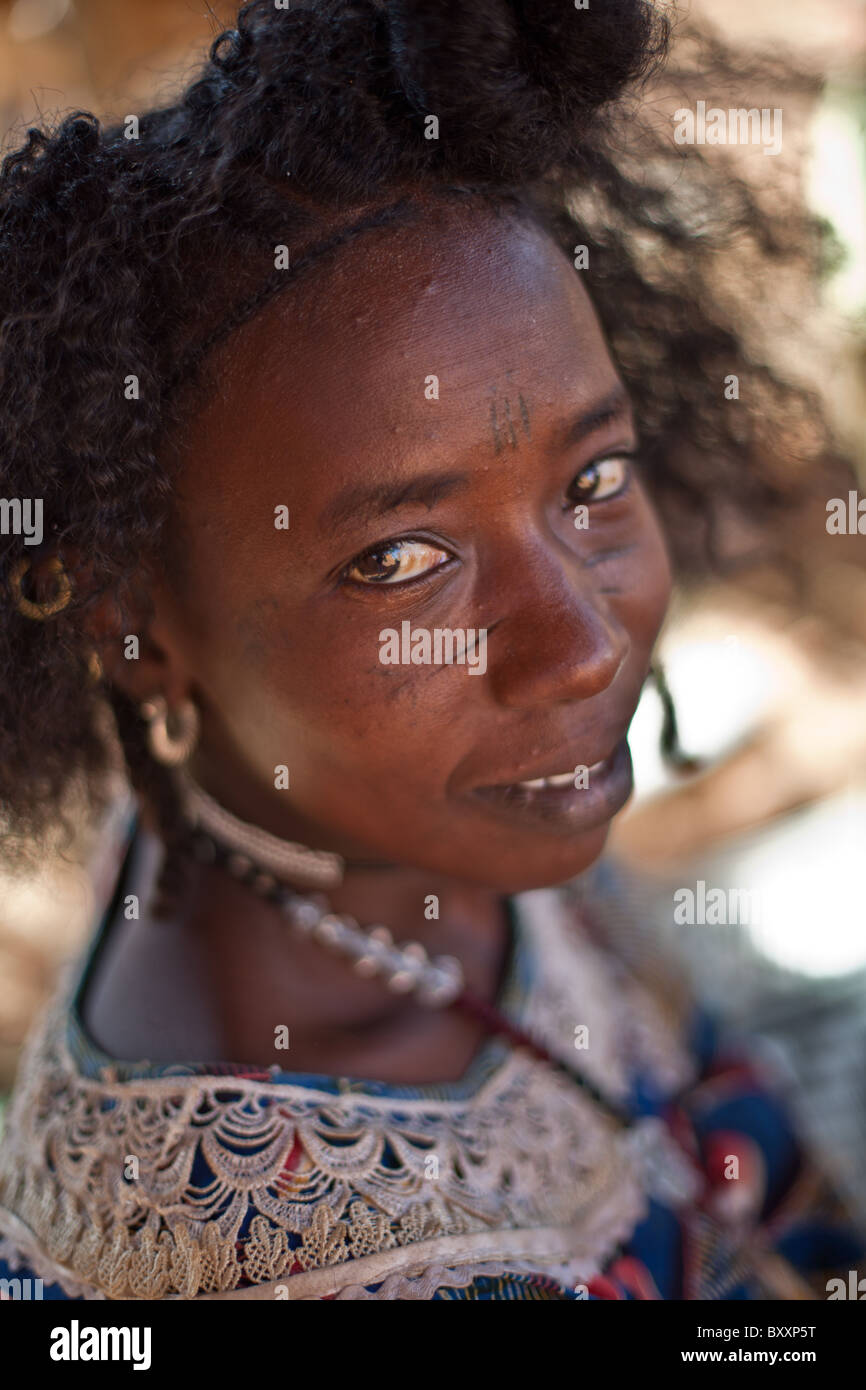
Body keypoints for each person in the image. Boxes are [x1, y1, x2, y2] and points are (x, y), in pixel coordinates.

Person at [0, 0, 862, 1300]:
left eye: (592, 479)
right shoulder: (254, 1253)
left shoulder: (400, 827)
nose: (577, 649)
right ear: (131, 623)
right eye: (400, 560)